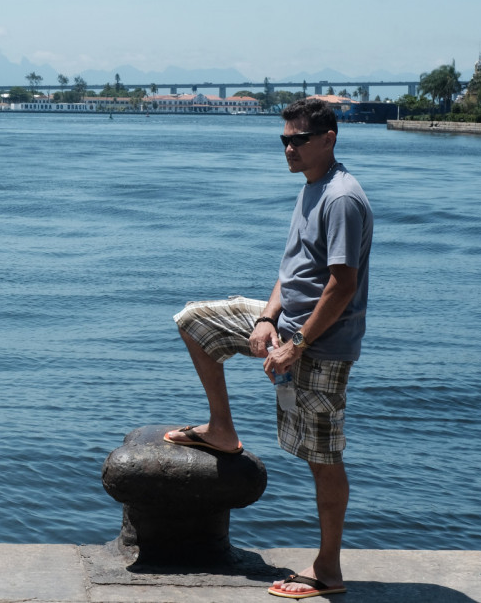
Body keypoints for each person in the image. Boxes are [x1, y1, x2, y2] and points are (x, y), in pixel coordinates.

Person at [164, 99, 372, 600]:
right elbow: (291, 271)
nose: (288, 148)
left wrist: (296, 345)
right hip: (287, 325)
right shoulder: (311, 189)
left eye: (298, 139)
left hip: (320, 344)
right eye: (284, 139)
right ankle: (221, 430)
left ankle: (328, 571)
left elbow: (342, 286)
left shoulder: (342, 198)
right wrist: (265, 319)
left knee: (322, 457)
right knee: (195, 322)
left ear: (329, 138)